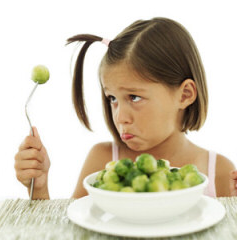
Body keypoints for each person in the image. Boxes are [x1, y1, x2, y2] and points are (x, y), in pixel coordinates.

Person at [15, 17, 237, 199]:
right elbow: (71, 230)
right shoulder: (101, 161)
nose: (120, 117)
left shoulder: (218, 171)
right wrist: (39, 188)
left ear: (185, 95)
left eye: (134, 97)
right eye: (112, 98)